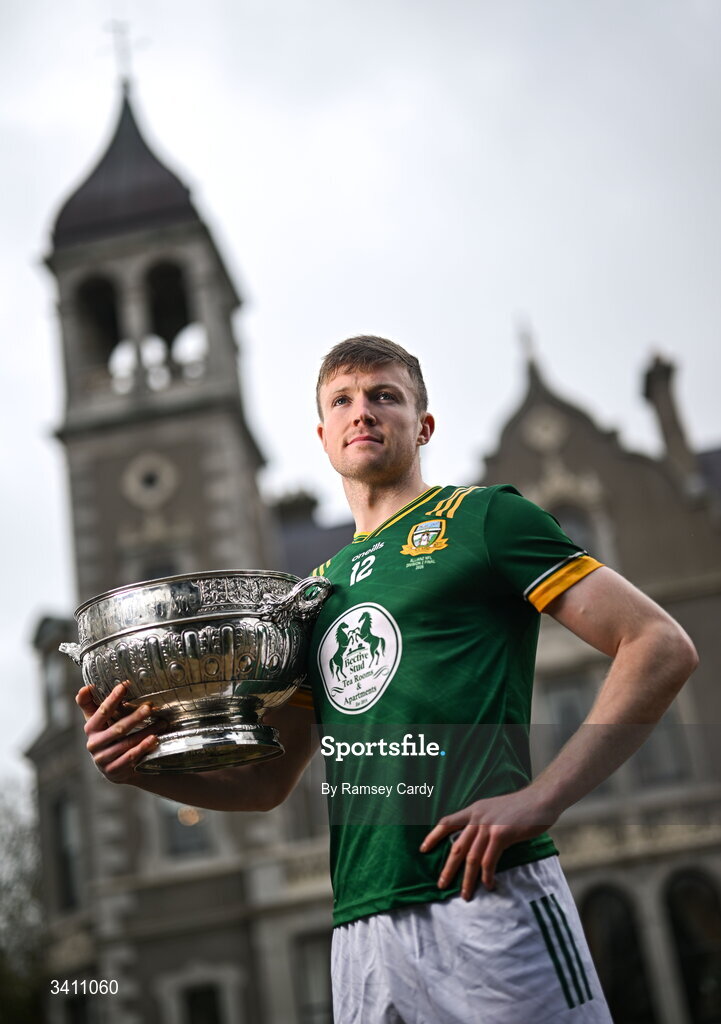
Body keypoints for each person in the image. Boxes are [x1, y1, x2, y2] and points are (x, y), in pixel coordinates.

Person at [77, 335, 698, 1023]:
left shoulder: (484, 519)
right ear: (323, 436)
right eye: (341, 400)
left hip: (486, 895)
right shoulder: (310, 596)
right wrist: (141, 771)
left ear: (422, 425)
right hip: (362, 927)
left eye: (384, 396)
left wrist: (543, 797)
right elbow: (265, 782)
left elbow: (657, 645)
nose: (362, 412)